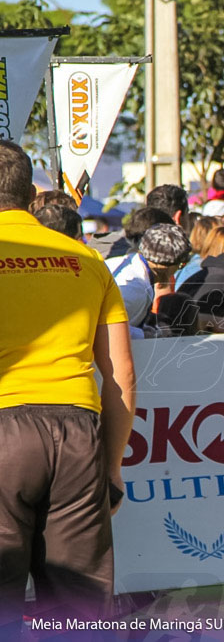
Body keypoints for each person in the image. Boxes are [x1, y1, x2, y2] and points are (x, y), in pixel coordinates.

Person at [0, 141, 136, 631]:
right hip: (77, 431)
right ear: (28, 193)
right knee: (79, 602)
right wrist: (112, 467)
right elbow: (121, 374)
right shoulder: (87, 261)